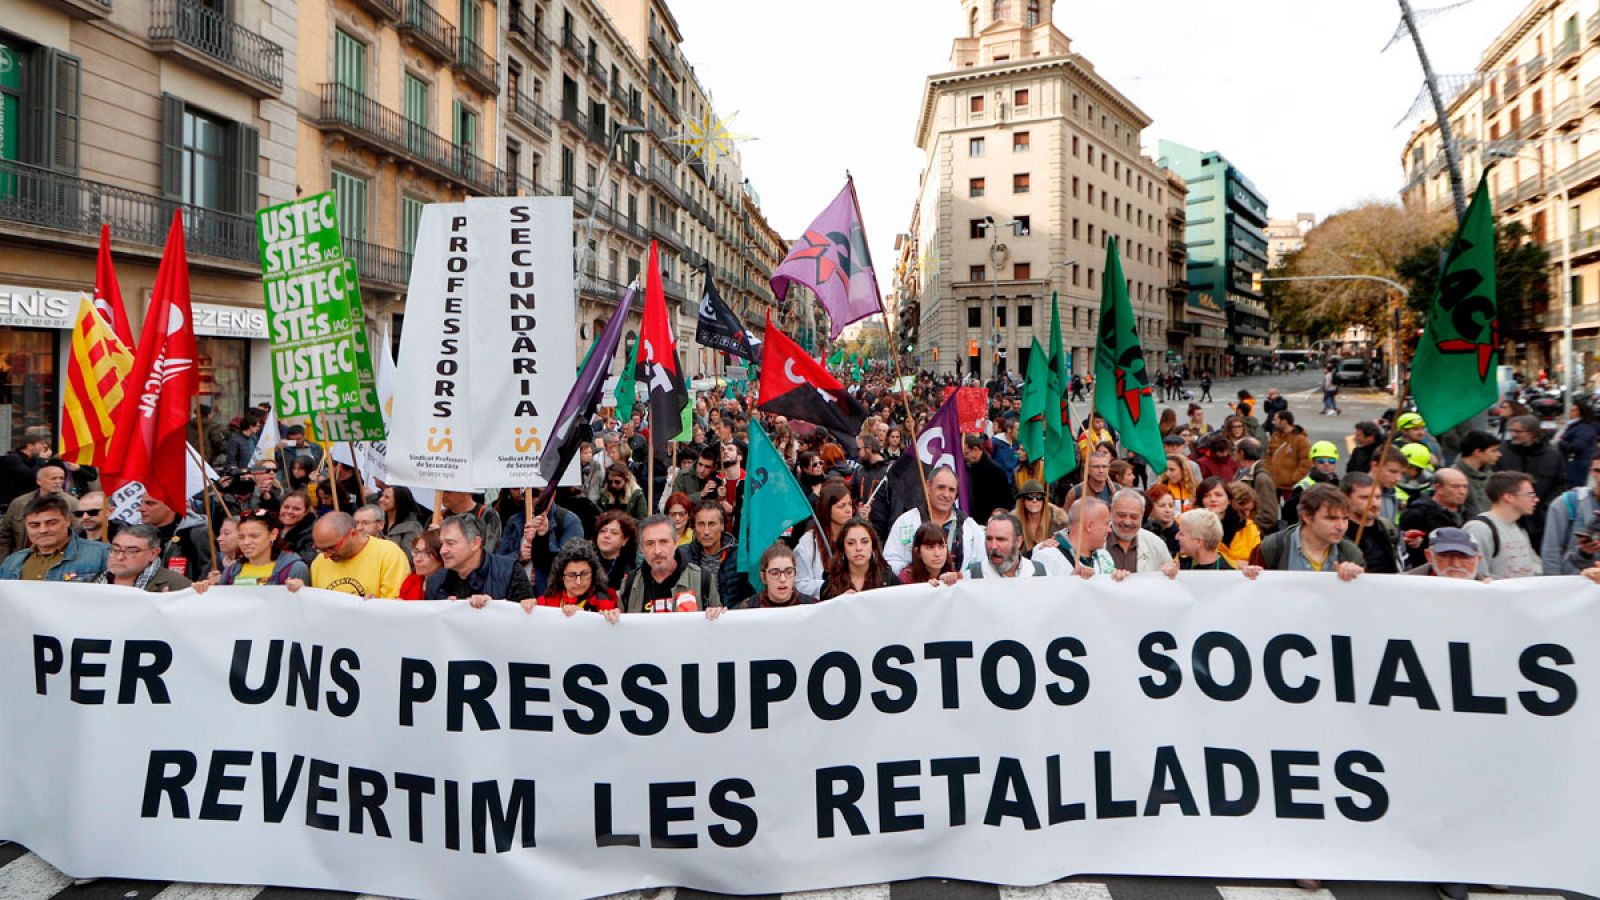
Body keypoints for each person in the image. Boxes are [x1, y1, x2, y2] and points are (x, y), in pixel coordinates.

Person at [1248, 483, 1364, 580]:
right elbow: (1252, 593)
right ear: (1307, 517)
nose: (1341, 526)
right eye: (1331, 518)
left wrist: (1359, 576)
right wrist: (1250, 573)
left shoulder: (1351, 554)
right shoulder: (1272, 548)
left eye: (1345, 519)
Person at [884, 466, 985, 576]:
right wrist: (914, 575)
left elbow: (980, 567)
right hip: (917, 590)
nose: (946, 495)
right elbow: (890, 561)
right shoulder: (906, 522)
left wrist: (960, 578)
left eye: (951, 490)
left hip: (957, 592)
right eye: (941, 487)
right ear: (928, 486)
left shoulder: (970, 527)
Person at [619, 515, 723, 616]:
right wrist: (611, 617)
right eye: (650, 543)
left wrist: (719, 614)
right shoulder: (630, 583)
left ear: (676, 542)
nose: (657, 551)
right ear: (641, 548)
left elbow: (718, 626)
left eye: (663, 542)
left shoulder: (702, 579)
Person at [296, 511, 412, 599]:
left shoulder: (389, 554)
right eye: (320, 549)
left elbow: (396, 607)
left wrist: (378, 605)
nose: (326, 556)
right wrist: (302, 592)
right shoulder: (319, 562)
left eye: (332, 548)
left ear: (353, 533)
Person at [425, 513, 532, 606]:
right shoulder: (435, 582)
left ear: (475, 543)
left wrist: (493, 607)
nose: (443, 550)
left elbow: (524, 618)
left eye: (450, 543)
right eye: (441, 544)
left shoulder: (509, 571)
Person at [0, 494, 108, 582]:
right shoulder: (12, 562)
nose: (43, 530)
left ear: (68, 521)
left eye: (51, 523)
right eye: (34, 525)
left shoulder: (102, 554)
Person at [1462, 472, 1542, 579]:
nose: (1536, 499)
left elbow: (1536, 568)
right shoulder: (1479, 529)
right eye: (1530, 494)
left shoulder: (1519, 529)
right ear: (1508, 497)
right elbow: (1476, 575)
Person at [205, 511, 310, 587]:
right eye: (241, 537)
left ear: (273, 534)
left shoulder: (294, 569)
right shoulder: (231, 572)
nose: (246, 542)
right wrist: (207, 588)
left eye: (254, 536)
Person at [1032, 497, 1124, 579]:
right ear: (1089, 526)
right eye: (1107, 524)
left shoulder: (1104, 556)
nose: (1110, 530)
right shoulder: (1047, 556)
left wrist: (1121, 581)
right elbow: (1039, 595)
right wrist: (1072, 582)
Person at [679, 501, 749, 607]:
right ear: (694, 527)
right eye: (701, 524)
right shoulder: (682, 555)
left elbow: (751, 596)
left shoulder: (740, 555)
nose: (706, 531)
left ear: (722, 526)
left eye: (711, 524)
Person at [0, 462, 77, 558]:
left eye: (61, 478)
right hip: (22, 558)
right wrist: (4, 563)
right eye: (53, 478)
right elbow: (5, 535)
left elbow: (77, 535)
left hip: (58, 558)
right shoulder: (19, 503)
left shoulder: (72, 504)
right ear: (39, 481)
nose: (58, 482)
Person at [1399, 467, 1471, 568]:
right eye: (1456, 487)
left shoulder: (1466, 514)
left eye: (1465, 487)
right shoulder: (1417, 515)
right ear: (1438, 488)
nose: (1462, 491)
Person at [1160, 509, 1264, 577]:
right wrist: (1164, 573)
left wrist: (1251, 576)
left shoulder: (1231, 571)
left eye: (1181, 534)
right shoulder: (1179, 564)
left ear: (1198, 542)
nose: (1176, 537)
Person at [795, 481, 854, 597]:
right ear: (827, 509)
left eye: (850, 504)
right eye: (841, 506)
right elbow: (799, 583)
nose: (848, 510)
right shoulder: (809, 542)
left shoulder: (857, 537)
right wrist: (827, 588)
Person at [95, 524, 192, 591]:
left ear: (153, 553)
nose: (120, 557)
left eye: (131, 551)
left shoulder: (179, 587)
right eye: (115, 549)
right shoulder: (95, 582)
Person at [137, 493, 212, 578]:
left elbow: (208, 574)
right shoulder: (138, 535)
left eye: (150, 503)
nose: (141, 509)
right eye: (141, 503)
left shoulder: (196, 533)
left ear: (170, 506)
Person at [1342, 472, 1402, 575]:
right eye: (1365, 498)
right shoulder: (1339, 532)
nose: (1374, 504)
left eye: (1378, 497)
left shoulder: (1387, 527)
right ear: (1346, 498)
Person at [820, 518, 894, 599]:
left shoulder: (890, 581)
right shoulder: (830, 587)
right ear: (843, 548)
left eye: (864, 541)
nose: (858, 548)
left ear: (873, 546)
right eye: (851, 543)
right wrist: (839, 603)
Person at [1105, 488, 1173, 574]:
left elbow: (1171, 582)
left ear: (1142, 515)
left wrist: (1170, 573)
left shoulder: (1156, 545)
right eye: (1121, 515)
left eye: (1134, 517)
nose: (1127, 522)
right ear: (1111, 512)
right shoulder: (1094, 541)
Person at [964, 511, 1047, 578]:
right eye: (989, 539)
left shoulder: (1039, 573)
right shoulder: (972, 576)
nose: (993, 546)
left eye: (1001, 539)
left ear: (1018, 541)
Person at [737, 543, 820, 609]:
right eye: (775, 573)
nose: (783, 579)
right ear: (763, 577)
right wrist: (724, 616)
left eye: (789, 572)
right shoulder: (748, 608)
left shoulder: (812, 607)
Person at [963, 434, 1014, 524]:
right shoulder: (968, 469)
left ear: (975, 449)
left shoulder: (996, 471)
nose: (965, 457)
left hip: (990, 522)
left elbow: (1005, 502)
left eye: (966, 453)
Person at [1405, 526, 1489, 581]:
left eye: (1464, 557)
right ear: (1429, 556)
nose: (1456, 564)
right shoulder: (1402, 586)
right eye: (1445, 556)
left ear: (1479, 559)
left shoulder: (1492, 590)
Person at [437, 490, 503, 556]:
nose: (442, 494)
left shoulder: (487, 515)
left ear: (467, 491)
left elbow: (488, 552)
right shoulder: (437, 516)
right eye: (441, 490)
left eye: (448, 491)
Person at [1011, 479, 1067, 554]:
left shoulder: (1058, 522)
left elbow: (1066, 550)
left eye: (1039, 497)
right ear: (1022, 501)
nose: (1034, 500)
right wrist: (1038, 548)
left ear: (1044, 500)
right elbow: (1012, 552)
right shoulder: (1012, 523)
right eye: (1029, 497)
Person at [0, 427, 53, 506]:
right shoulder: (12, 458)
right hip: (14, 502)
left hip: (31, 500)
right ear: (30, 446)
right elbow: (31, 475)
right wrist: (41, 459)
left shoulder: (33, 459)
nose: (45, 446)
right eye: (42, 443)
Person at [1455, 430, 1500, 517]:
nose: (1499, 454)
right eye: (1494, 451)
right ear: (1478, 452)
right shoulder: (1453, 476)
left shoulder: (1491, 474)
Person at [901, 521, 962, 585]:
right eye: (930, 547)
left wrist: (956, 578)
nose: (937, 554)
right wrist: (927, 588)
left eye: (942, 547)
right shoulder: (907, 577)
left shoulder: (953, 575)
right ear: (918, 551)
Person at [1266, 411, 1312, 494]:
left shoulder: (1300, 439)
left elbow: (1306, 462)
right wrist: (1268, 472)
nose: (1273, 422)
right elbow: (1269, 455)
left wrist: (1294, 479)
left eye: (1275, 420)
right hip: (1273, 484)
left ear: (1284, 422)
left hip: (1289, 488)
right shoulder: (1275, 435)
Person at [378, 485, 425, 563]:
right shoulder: (378, 521)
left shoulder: (412, 527)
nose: (381, 499)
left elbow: (409, 558)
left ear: (399, 500)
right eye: (382, 496)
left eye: (387, 497)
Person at [1559, 401, 1600, 488]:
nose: (1570, 413)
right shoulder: (1577, 425)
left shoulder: (1584, 428)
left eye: (1573, 411)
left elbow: (1577, 446)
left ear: (1580, 413)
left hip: (1579, 465)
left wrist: (1560, 442)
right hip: (1577, 463)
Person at [398, 531, 443, 601]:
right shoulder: (410, 582)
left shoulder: (449, 585)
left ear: (441, 556)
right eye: (416, 552)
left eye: (426, 553)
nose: (417, 559)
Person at [275, 490, 317, 564]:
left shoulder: (312, 535)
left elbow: (305, 561)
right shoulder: (272, 527)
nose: (289, 511)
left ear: (306, 512)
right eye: (286, 507)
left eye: (296, 509)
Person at [1143, 484, 1181, 554]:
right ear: (1150, 508)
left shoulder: (1180, 535)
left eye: (1171, 506)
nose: (1167, 510)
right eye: (1162, 506)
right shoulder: (1143, 533)